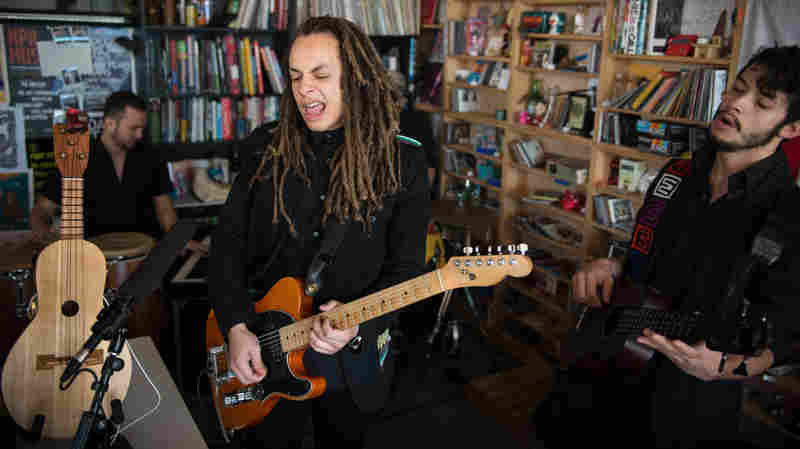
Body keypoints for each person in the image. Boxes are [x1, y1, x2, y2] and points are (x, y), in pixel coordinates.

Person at [535, 45, 800, 448]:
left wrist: (725, 367)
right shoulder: (677, 171)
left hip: (684, 402)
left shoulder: (787, 215)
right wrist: (611, 267)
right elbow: (646, 254)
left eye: (762, 103)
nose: (736, 104)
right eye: (736, 89)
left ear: (791, 128)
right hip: (602, 367)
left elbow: (785, 334)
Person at [208, 16, 431, 449]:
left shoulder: (403, 160)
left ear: (358, 78)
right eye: (295, 77)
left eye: (321, 75)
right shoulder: (263, 148)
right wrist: (235, 325)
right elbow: (226, 247)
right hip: (263, 353)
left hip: (351, 361)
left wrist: (360, 325)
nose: (304, 88)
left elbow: (407, 268)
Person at [30, 91, 205, 254]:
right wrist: (44, 234)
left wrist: (181, 241)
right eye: (133, 128)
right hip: (95, 259)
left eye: (142, 129)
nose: (139, 135)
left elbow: (165, 210)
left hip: (146, 254)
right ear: (109, 123)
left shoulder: (151, 156)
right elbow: (42, 209)